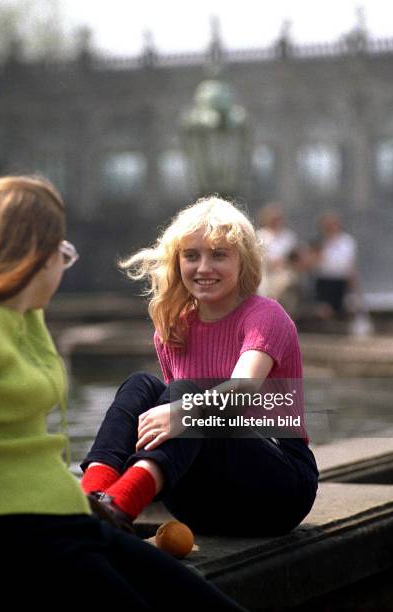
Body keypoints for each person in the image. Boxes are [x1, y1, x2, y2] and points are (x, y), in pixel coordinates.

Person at [0, 177, 242, 611]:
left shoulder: (26, 321)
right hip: (13, 541)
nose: (62, 264)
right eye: (60, 252)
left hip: (75, 523)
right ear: (36, 254)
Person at [80, 196, 318, 537]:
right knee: (140, 386)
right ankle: (90, 502)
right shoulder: (173, 327)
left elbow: (243, 389)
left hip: (276, 489)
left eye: (219, 254)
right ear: (177, 263)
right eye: (191, 256)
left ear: (243, 261)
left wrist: (181, 413)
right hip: (199, 501)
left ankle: (120, 503)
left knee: (183, 396)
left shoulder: (265, 316)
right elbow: (173, 438)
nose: (203, 267)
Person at [312, 212, 358, 319]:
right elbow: (312, 264)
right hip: (324, 280)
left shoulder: (347, 241)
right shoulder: (319, 242)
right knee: (324, 309)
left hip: (341, 280)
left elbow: (350, 265)